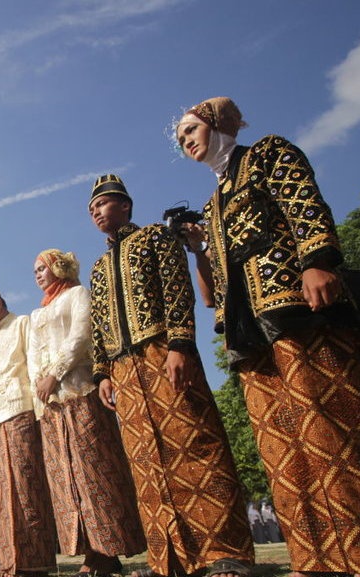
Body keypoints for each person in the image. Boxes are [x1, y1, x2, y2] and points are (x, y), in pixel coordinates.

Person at [173, 95, 360, 575]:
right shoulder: (213, 203)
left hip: (299, 307)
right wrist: (198, 250)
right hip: (251, 331)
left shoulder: (269, 152)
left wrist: (317, 261)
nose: (186, 141)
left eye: (191, 130)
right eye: (180, 139)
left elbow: (304, 202)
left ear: (215, 123)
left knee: (333, 424)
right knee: (282, 444)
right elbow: (213, 294)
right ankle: (314, 558)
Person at [85, 174, 253, 577]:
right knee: (145, 461)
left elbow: (179, 290)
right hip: (123, 370)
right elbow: (98, 325)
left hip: (163, 352)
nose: (95, 212)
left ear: (125, 205)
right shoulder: (98, 267)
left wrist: (180, 345)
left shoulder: (155, 238)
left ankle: (223, 553)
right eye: (91, 209)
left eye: (103, 204)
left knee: (195, 443)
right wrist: (101, 373)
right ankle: (169, 558)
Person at [27, 249, 145, 576]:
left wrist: (55, 373)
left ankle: (107, 549)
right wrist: (40, 382)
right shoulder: (37, 314)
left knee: (94, 471)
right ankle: (88, 552)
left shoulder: (77, 294)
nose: (37, 274)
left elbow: (81, 336)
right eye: (34, 271)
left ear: (58, 267)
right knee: (66, 479)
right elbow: (34, 354)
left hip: (81, 390)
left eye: (42, 268)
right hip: (51, 403)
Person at [0, 286, 55, 577]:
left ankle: (35, 562)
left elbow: (34, 368)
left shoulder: (22, 324)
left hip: (22, 411)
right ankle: (8, 562)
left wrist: (39, 413)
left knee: (26, 485)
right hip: (0, 417)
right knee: (0, 489)